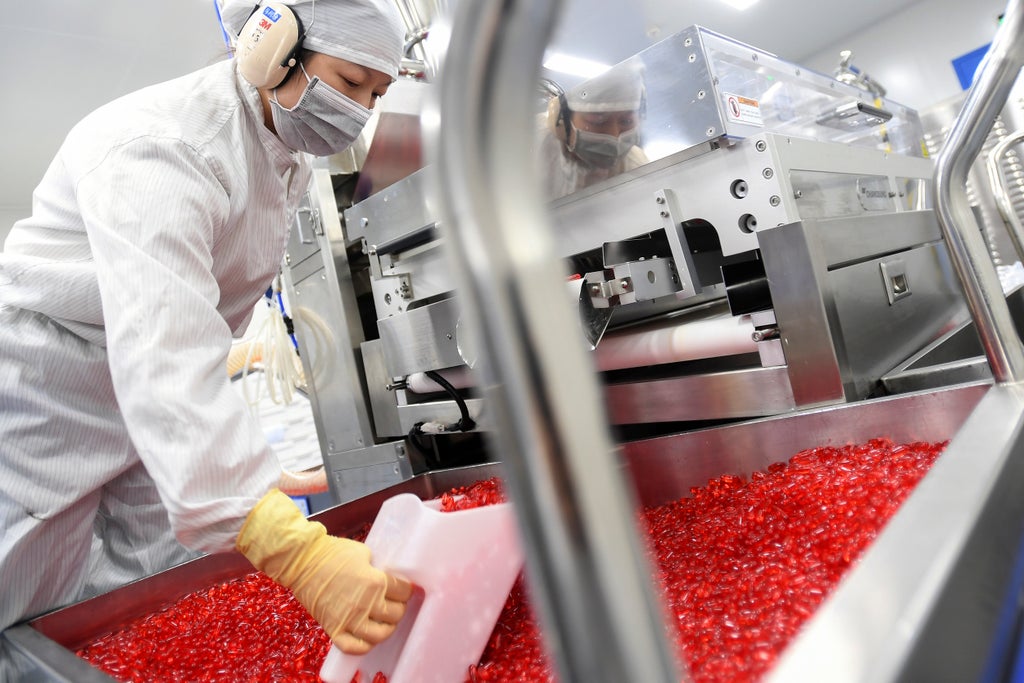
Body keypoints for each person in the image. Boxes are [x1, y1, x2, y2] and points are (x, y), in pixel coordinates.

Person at [0, 0, 413, 674]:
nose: (359, 110)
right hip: (53, 383)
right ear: (273, 47)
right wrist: (295, 551)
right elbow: (164, 346)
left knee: (155, 586)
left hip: (140, 390)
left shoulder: (280, 154)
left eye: (376, 93)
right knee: (23, 592)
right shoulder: (166, 146)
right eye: (349, 81)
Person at [538, 60, 650, 200]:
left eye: (626, 121)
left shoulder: (636, 166)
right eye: (598, 121)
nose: (614, 137)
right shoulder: (526, 144)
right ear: (561, 119)